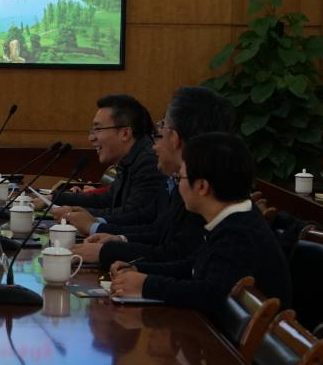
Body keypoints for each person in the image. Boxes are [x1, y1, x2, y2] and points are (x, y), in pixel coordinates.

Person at [110, 132, 292, 320]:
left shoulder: (239, 234)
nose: (178, 186)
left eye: (180, 178)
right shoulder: (232, 218)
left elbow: (210, 293)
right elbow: (193, 266)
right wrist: (139, 269)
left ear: (202, 187)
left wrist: (147, 285)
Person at [71, 87, 235, 268]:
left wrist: (108, 251)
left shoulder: (200, 188)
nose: (155, 144)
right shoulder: (185, 179)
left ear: (175, 138)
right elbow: (160, 229)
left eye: (162, 127)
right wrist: (119, 239)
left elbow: (178, 255)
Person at [45, 94, 163, 219]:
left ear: (125, 133)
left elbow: (134, 215)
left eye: (98, 129)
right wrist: (55, 198)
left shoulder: (149, 162)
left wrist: (75, 214)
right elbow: (107, 199)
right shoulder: (130, 159)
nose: (91, 138)